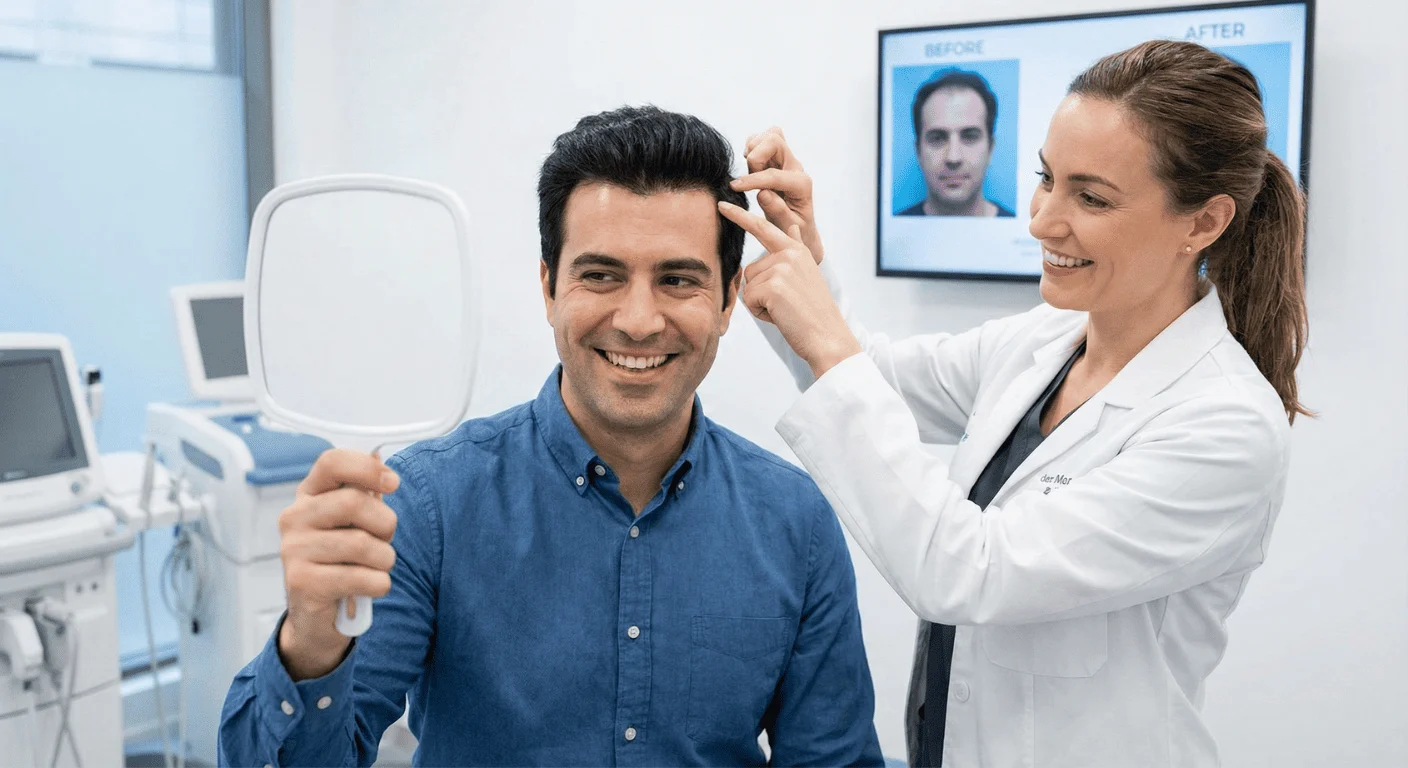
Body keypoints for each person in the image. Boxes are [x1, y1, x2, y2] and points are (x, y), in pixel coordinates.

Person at [218, 106, 884, 767]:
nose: (639, 321)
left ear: (729, 300)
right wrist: (310, 645)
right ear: (548, 288)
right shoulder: (426, 506)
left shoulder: (795, 523)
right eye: (601, 276)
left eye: (678, 280)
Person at [722, 40, 1307, 767]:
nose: (1041, 221)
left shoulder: (1224, 426)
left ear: (1203, 223)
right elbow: (876, 378)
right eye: (1046, 178)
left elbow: (968, 571)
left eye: (1091, 197)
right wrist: (797, 255)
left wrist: (826, 340)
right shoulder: (1045, 341)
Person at [896, 68, 1014, 218]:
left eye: (970, 137)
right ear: (918, 151)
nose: (953, 158)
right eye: (937, 138)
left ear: (990, 148)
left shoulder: (1022, 227)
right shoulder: (894, 226)